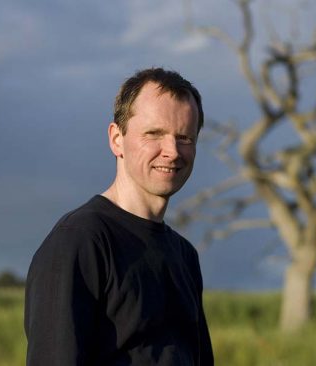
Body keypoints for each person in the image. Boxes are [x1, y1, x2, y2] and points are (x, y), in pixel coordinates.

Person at [24, 68, 213, 365]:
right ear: (116, 139)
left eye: (185, 138)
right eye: (154, 134)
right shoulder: (79, 240)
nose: (172, 151)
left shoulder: (184, 255)